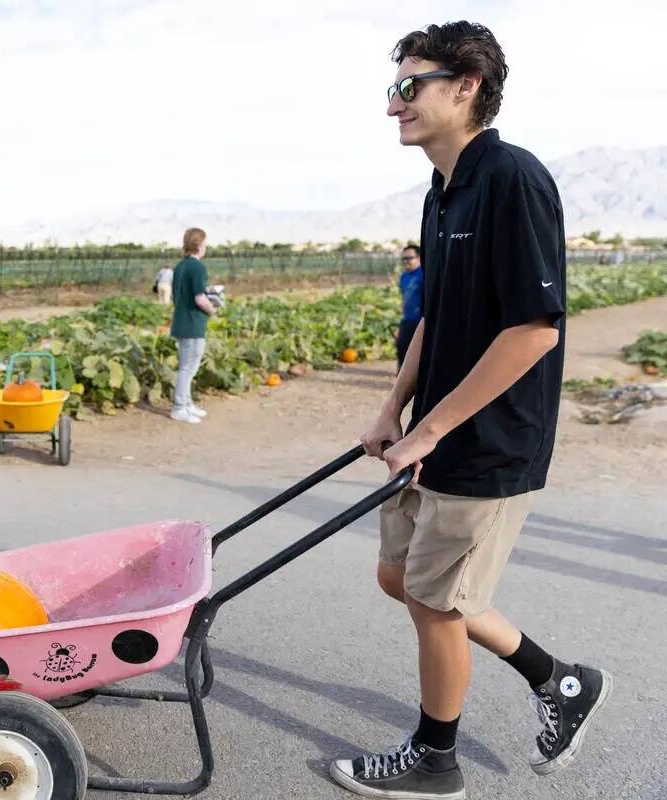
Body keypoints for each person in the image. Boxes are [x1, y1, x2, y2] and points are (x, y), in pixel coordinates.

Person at [330, 22, 613, 799]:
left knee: (431, 598)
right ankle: (558, 680)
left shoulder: (511, 178)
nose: (395, 106)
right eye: (394, 89)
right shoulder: (441, 188)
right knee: (404, 579)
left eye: (408, 86)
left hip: (487, 441)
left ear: (466, 87)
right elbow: (435, 314)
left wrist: (429, 427)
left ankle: (435, 760)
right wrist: (394, 407)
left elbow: (532, 332)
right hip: (433, 435)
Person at [169, 228, 217, 424]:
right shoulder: (198, 267)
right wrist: (213, 309)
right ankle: (179, 407)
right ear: (198, 245)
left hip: (181, 321)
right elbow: (199, 298)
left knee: (186, 366)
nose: (206, 246)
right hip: (193, 323)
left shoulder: (180, 266)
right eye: (204, 243)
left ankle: (187, 404)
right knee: (189, 367)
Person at [397, 243, 424, 370]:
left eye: (409, 258)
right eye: (404, 259)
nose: (406, 262)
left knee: (420, 353)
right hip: (407, 320)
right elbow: (404, 296)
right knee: (402, 348)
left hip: (421, 321)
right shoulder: (404, 276)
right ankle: (403, 381)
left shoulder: (424, 274)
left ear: (419, 258)